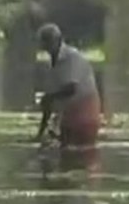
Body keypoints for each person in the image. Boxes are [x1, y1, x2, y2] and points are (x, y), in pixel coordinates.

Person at [35, 23, 102, 154]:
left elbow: (71, 89)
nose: (47, 48)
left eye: (49, 43)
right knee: (65, 152)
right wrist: (40, 133)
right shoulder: (51, 64)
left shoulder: (72, 57)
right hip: (69, 114)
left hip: (85, 110)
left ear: (58, 40)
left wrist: (49, 97)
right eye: (44, 44)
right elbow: (48, 103)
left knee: (80, 152)